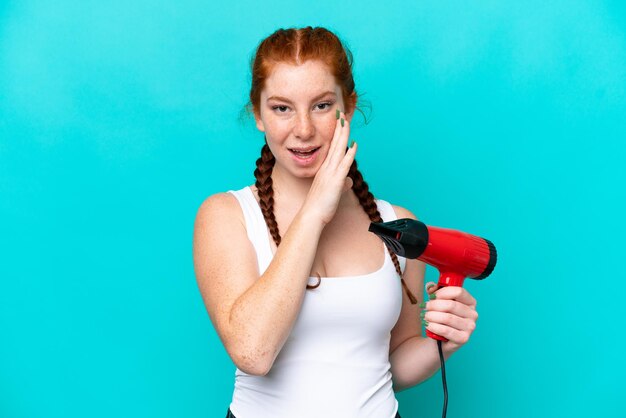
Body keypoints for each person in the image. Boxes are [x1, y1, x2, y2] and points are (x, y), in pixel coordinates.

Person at [192, 26, 479, 418]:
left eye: (322, 105)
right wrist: (314, 212)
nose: (304, 129)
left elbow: (389, 366)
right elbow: (253, 353)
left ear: (349, 106)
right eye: (281, 108)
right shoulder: (226, 215)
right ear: (257, 115)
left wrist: (442, 344)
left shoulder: (398, 225)